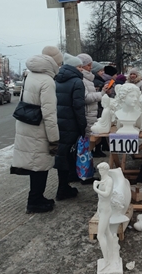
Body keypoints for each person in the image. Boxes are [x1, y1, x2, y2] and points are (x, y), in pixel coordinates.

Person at [11, 48, 61, 213]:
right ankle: (35, 201)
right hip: (39, 127)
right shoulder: (47, 81)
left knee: (34, 163)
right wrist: (54, 139)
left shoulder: (29, 74)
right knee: (41, 164)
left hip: (26, 124)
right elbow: (50, 114)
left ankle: (36, 197)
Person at [54, 54, 86, 200]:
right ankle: (63, 189)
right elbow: (78, 107)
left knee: (62, 155)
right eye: (79, 67)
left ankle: (63, 186)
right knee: (69, 155)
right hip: (71, 123)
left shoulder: (56, 79)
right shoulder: (77, 82)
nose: (82, 69)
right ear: (73, 68)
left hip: (58, 122)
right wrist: (82, 126)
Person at [91, 61, 108, 157]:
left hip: (98, 107)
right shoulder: (97, 82)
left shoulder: (98, 80)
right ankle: (97, 149)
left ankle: (97, 148)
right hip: (97, 107)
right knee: (98, 129)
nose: (102, 73)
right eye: (100, 71)